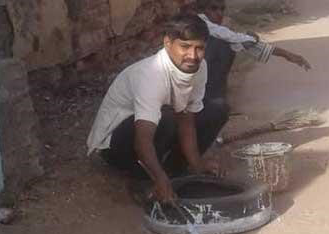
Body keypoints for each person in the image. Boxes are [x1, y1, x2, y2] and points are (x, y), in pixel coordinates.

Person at [87, 14, 228, 203]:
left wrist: (197, 164)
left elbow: (186, 119)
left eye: (199, 48)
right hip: (116, 144)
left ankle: (177, 170)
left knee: (217, 109)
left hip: (157, 130)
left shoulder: (199, 68)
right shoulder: (151, 75)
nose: (193, 56)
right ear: (168, 43)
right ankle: (143, 179)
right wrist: (160, 180)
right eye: (185, 47)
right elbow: (142, 139)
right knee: (166, 119)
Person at [196, 0, 311, 102]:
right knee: (223, 46)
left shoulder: (211, 27)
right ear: (202, 10)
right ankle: (212, 97)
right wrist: (252, 38)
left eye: (222, 9)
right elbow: (238, 39)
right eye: (213, 9)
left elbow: (241, 41)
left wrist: (286, 55)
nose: (219, 14)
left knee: (229, 44)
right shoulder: (203, 23)